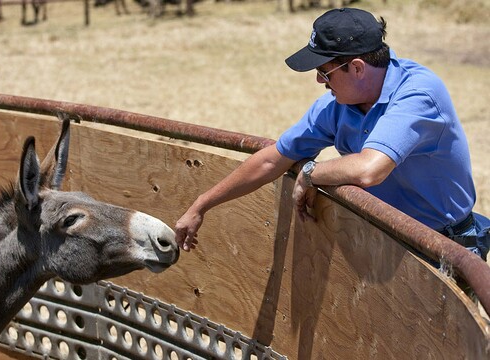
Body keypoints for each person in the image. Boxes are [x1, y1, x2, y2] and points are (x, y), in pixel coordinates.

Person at [174, 8, 490, 263]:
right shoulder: (337, 104)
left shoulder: (417, 94)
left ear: (357, 68)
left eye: (324, 71)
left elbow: (369, 169)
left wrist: (312, 173)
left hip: (443, 248)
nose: (317, 80)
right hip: (388, 241)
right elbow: (274, 158)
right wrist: (201, 205)